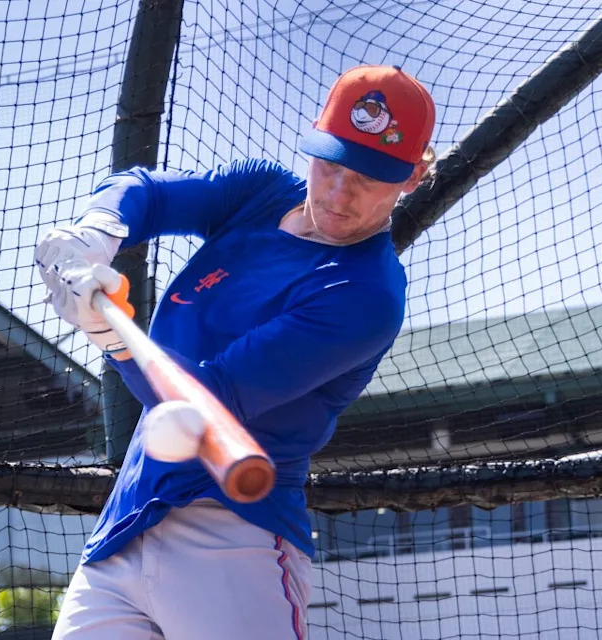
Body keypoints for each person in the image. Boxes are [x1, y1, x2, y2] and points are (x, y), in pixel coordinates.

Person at [36, 64, 435, 639]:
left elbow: (207, 402)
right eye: (330, 164)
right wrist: (98, 231)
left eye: (368, 179)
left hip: (234, 533)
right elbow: (146, 192)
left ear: (413, 177)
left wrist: (109, 335)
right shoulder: (262, 192)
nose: (338, 193)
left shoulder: (365, 293)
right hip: (126, 523)